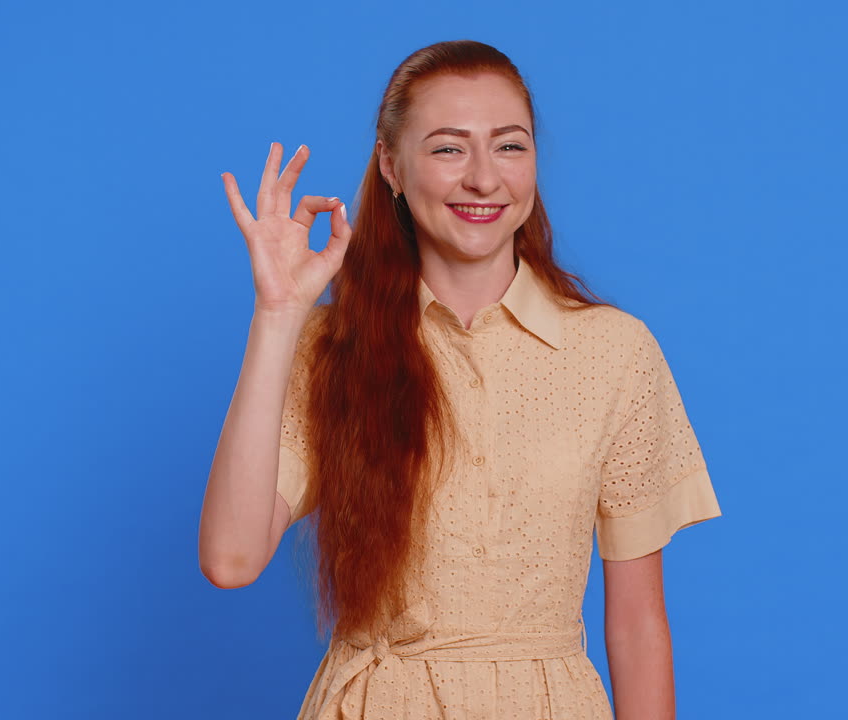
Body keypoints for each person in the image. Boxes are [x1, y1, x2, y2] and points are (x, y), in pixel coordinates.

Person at [200, 39, 722, 720]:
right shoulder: (329, 348)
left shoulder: (615, 353)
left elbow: (637, 625)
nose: (484, 178)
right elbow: (231, 559)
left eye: (509, 146)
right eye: (448, 148)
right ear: (391, 165)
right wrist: (277, 316)